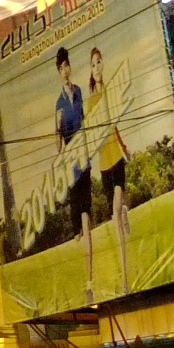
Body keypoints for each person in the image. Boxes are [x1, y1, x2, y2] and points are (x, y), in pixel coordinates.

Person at [88, 46, 130, 294]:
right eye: (93, 64)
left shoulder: (109, 92)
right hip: (104, 163)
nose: (97, 67)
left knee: (115, 214)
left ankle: (125, 279)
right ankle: (123, 209)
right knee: (117, 209)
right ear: (91, 70)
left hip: (116, 158)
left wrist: (123, 147)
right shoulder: (91, 100)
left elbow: (113, 126)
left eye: (99, 62)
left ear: (103, 64)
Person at [54, 45, 94, 302]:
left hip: (84, 159)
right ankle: (79, 231)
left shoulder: (78, 91)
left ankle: (89, 281)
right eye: (62, 68)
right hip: (72, 164)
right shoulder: (58, 103)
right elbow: (57, 141)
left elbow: (85, 120)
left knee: (86, 216)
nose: (66, 70)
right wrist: (59, 135)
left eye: (67, 66)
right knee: (79, 217)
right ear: (59, 72)